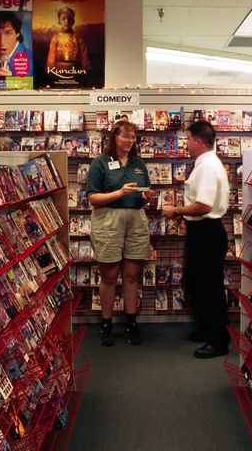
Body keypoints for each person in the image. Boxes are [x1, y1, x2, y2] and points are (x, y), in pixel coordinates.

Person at [163, 121, 230, 358]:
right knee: (199, 284)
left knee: (209, 288)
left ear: (198, 141)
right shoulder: (206, 163)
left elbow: (203, 206)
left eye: (188, 139)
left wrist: (177, 211)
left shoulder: (208, 167)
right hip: (203, 232)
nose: (186, 143)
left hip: (207, 233)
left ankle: (218, 341)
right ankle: (207, 330)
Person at [87, 121, 155, 346]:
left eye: (133, 137)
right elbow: (93, 198)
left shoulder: (139, 164)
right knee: (108, 276)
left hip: (135, 220)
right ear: (114, 137)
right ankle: (106, 323)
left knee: (131, 276)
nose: (129, 140)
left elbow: (143, 195)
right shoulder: (100, 163)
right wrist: (119, 193)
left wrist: (146, 198)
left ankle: (131, 322)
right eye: (125, 136)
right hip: (108, 221)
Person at [0, 11, 32, 77]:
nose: (2, 42)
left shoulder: (31, 61)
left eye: (8, 33)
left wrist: (11, 82)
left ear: (17, 33)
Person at [46, 6, 91, 72]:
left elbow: (84, 59)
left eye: (69, 19)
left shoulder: (78, 38)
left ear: (73, 21)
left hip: (76, 72)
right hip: (59, 72)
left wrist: (85, 73)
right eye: (63, 19)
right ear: (59, 21)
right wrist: (50, 73)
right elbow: (51, 60)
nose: (66, 21)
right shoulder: (55, 39)